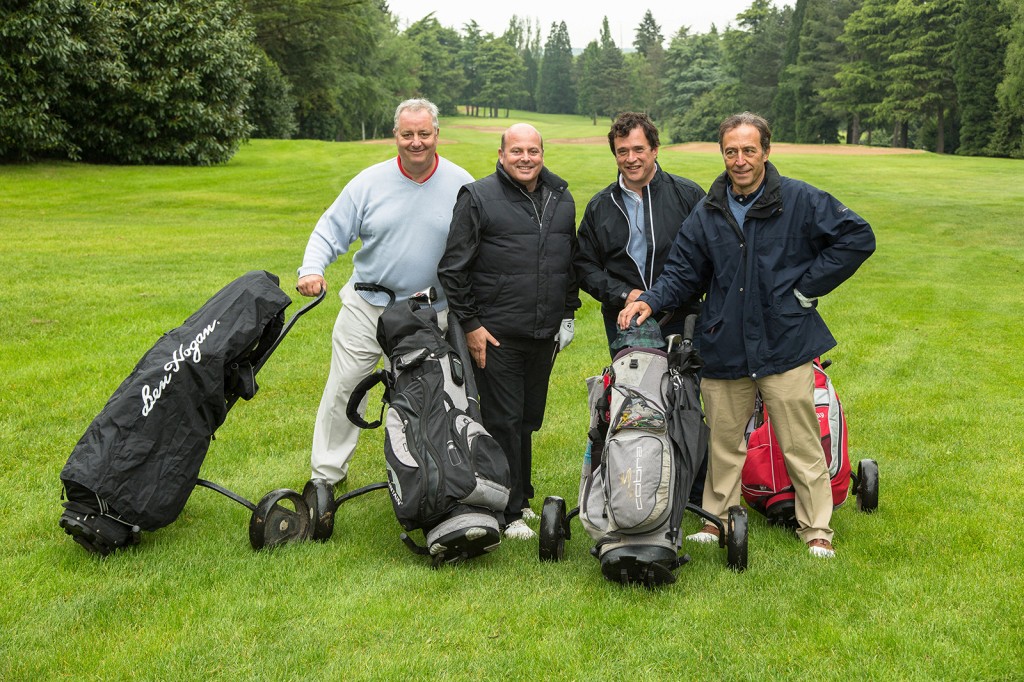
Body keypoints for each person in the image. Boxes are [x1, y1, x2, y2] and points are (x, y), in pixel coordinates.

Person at [618, 112, 875, 558]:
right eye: (731, 151)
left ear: (766, 152)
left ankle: (815, 529)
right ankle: (718, 521)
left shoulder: (798, 199)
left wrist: (805, 289)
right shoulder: (709, 208)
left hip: (784, 340)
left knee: (799, 440)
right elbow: (683, 271)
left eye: (749, 150)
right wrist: (652, 300)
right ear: (723, 154)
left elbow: (856, 237)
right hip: (724, 342)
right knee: (723, 443)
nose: (739, 160)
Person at [296, 98, 473, 487]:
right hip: (368, 306)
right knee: (346, 388)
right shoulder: (368, 182)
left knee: (437, 395)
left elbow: (482, 248)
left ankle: (437, 474)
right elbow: (330, 230)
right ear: (395, 134)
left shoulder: (463, 184)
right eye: (407, 134)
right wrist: (311, 268)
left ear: (436, 134)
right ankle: (325, 477)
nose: (416, 142)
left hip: (431, 314)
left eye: (423, 134)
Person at [438, 123, 580, 540]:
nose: (525, 158)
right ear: (501, 155)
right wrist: (472, 325)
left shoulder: (561, 197)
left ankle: (521, 497)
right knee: (503, 419)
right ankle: (506, 510)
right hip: (496, 332)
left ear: (542, 154)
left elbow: (566, 261)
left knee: (528, 420)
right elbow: (453, 268)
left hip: (542, 333)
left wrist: (567, 314)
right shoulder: (478, 197)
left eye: (532, 151)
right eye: (516, 150)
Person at [575, 111, 706, 355]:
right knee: (633, 391)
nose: (630, 158)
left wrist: (659, 297)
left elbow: (705, 260)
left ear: (655, 149)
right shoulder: (600, 206)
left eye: (638, 149)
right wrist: (625, 294)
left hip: (681, 317)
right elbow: (584, 266)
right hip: (624, 319)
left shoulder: (688, 196)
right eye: (622, 151)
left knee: (684, 391)